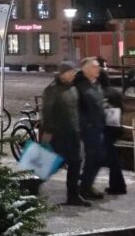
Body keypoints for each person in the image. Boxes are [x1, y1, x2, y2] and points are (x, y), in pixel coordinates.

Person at [40, 61, 88, 206]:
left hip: (73, 133)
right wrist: (48, 131)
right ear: (62, 73)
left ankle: (73, 195)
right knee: (48, 165)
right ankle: (27, 187)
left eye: (74, 72)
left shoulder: (73, 89)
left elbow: (75, 111)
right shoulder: (52, 90)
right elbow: (47, 112)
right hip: (58, 134)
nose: (73, 74)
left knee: (76, 162)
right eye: (70, 72)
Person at [74, 57, 106, 201]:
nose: (98, 69)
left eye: (98, 66)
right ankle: (83, 188)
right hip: (86, 127)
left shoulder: (95, 83)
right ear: (85, 69)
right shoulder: (79, 85)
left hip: (96, 126)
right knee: (94, 157)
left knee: (96, 157)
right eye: (95, 67)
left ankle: (86, 185)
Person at [102, 74, 127, 196]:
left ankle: (118, 185)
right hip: (116, 127)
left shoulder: (102, 93)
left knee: (112, 158)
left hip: (105, 128)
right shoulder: (115, 93)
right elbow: (123, 109)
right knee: (112, 157)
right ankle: (117, 185)